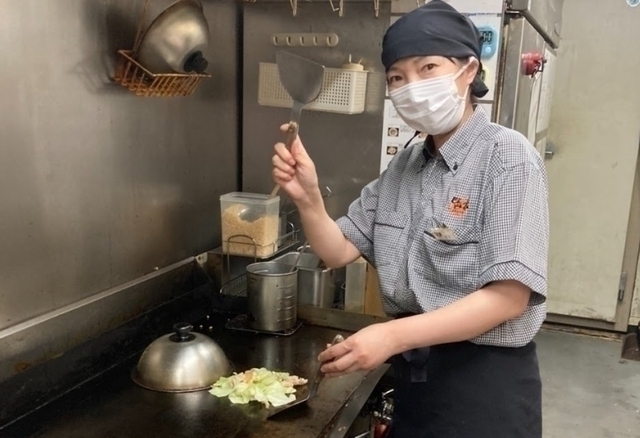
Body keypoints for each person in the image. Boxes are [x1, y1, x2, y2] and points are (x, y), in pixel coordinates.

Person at [271, 1, 549, 437]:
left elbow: (508, 298)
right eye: (397, 77)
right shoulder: (405, 165)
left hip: (484, 385)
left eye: (428, 68)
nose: (411, 87)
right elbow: (339, 250)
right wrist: (307, 198)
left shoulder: (507, 157)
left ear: (469, 70)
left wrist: (390, 337)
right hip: (416, 378)